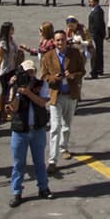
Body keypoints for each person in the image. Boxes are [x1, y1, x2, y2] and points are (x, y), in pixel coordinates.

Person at [7, 59, 53, 207]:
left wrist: (28, 92)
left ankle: (43, 188)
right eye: (27, 73)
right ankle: (16, 192)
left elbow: (42, 102)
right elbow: (12, 108)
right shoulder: (16, 86)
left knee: (39, 162)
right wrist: (15, 90)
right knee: (18, 163)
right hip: (20, 130)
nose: (30, 75)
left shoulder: (41, 84)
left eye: (32, 72)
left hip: (37, 128)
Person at [40, 28, 84, 174]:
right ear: (53, 41)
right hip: (55, 95)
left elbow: (82, 71)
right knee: (55, 127)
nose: (60, 42)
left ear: (67, 40)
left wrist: (71, 75)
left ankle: (64, 147)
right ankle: (52, 160)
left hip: (70, 95)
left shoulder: (75, 54)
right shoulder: (48, 56)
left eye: (63, 40)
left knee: (67, 124)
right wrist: (54, 78)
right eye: (57, 40)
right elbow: (44, 75)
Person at [0, 22, 21, 122]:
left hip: (12, 68)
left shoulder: (11, 40)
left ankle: (10, 110)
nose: (13, 30)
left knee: (13, 90)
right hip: (4, 71)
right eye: (11, 28)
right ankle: (2, 112)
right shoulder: (3, 43)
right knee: (5, 91)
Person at [86, 0, 106, 79]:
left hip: (95, 36)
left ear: (96, 2)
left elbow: (98, 25)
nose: (90, 3)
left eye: (91, 2)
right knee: (99, 53)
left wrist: (92, 35)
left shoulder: (97, 11)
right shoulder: (97, 10)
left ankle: (94, 72)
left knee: (94, 54)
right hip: (98, 35)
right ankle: (99, 69)